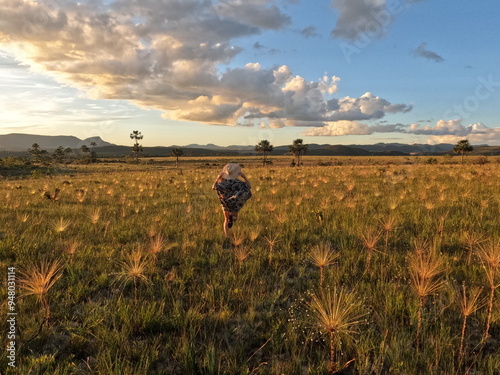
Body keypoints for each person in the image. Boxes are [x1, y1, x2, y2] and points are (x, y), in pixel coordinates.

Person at [212, 163, 252, 236]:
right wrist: (244, 177)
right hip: (234, 204)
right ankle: (232, 217)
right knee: (234, 218)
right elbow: (249, 187)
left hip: (225, 203)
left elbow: (214, 187)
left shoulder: (222, 182)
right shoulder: (238, 183)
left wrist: (218, 178)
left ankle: (227, 235)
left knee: (226, 220)